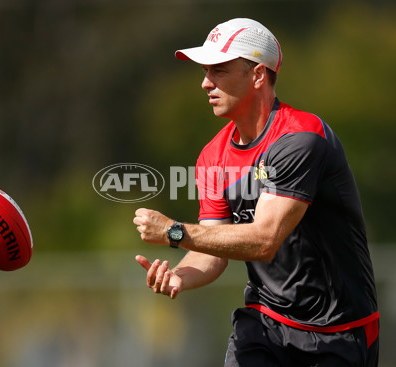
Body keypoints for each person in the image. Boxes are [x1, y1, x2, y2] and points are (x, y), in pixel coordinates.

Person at [133, 18, 379, 367]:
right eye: (205, 72)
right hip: (265, 325)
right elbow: (212, 250)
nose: (205, 83)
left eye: (218, 70)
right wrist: (179, 276)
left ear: (258, 75)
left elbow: (264, 241)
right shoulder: (212, 156)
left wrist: (174, 231)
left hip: (338, 333)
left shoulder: (301, 138)